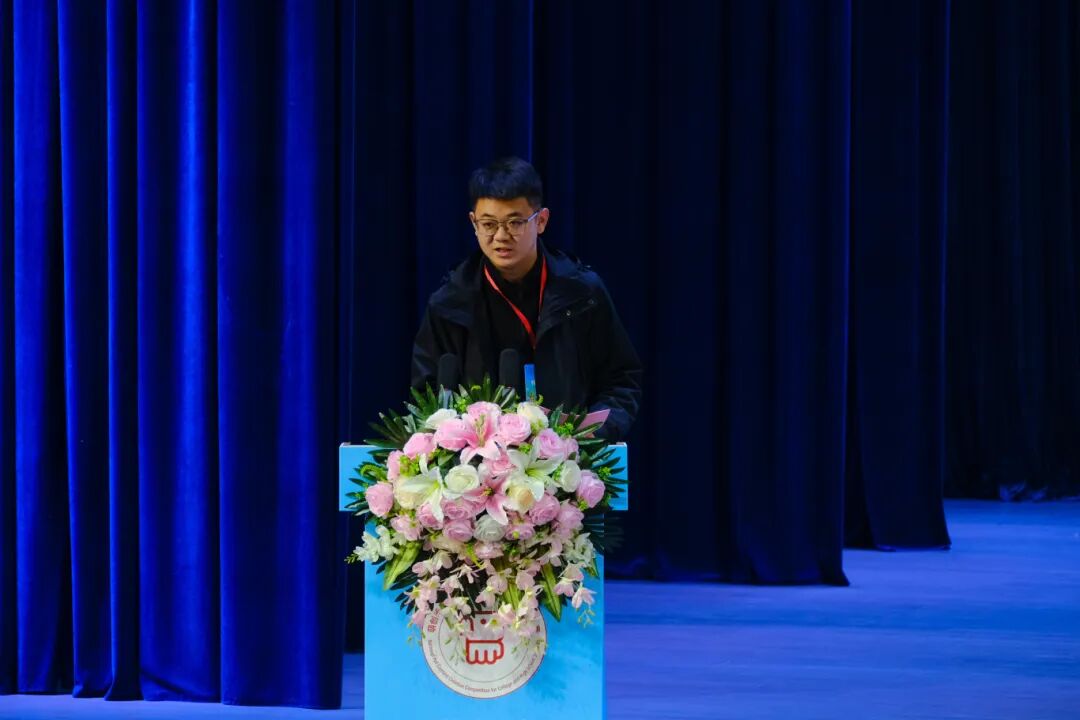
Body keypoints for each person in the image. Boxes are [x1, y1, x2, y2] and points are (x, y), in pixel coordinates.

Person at [411, 157, 642, 441]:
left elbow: (621, 380)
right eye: (489, 224)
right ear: (473, 223)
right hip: (476, 463)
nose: (501, 236)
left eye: (515, 223)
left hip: (570, 457)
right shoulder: (449, 303)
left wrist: (592, 435)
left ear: (541, 221)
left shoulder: (583, 295)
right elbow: (424, 398)